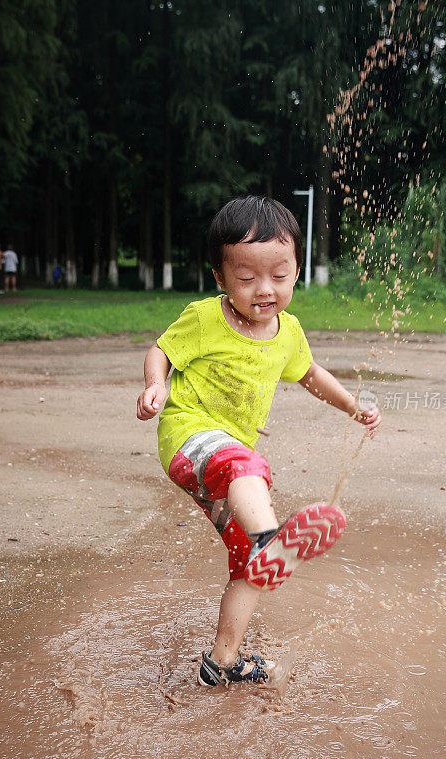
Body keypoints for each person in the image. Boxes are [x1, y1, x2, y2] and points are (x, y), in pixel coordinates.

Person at [137, 196, 381, 687]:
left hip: (226, 463)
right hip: (190, 437)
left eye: (279, 275)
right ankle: (272, 538)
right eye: (246, 279)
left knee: (248, 564)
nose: (263, 290)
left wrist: (352, 406)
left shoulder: (287, 332)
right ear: (221, 278)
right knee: (247, 465)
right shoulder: (206, 318)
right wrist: (156, 384)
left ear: (296, 272)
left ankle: (221, 662)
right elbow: (161, 350)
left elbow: (309, 374)